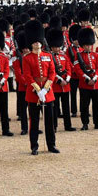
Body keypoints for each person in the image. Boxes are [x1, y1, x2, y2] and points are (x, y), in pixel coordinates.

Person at [22, 21, 58, 155]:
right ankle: (34, 146)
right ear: (31, 43)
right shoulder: (27, 58)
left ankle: (51, 144)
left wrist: (45, 89)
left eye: (39, 41)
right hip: (33, 94)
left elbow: (52, 73)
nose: (37, 43)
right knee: (34, 122)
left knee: (50, 121)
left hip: (47, 93)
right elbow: (27, 76)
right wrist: (38, 90)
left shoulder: (48, 56)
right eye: (35, 42)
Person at [72, 27, 98, 130]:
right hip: (84, 84)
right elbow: (78, 69)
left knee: (96, 105)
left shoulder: (95, 55)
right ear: (83, 45)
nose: (88, 47)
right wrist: (87, 79)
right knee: (84, 106)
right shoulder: (78, 56)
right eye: (86, 45)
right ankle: (85, 123)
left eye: (90, 45)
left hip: (96, 84)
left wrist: (95, 78)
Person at [46, 27, 74, 132]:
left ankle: (68, 125)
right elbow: (50, 72)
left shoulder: (64, 56)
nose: (57, 49)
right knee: (55, 107)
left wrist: (67, 79)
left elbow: (68, 69)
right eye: (54, 47)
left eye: (58, 47)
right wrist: (58, 80)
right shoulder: (49, 57)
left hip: (65, 85)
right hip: (55, 86)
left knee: (66, 107)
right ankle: (54, 126)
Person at [11, 31, 29, 135]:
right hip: (23, 87)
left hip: (32, 87)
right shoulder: (17, 57)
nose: (26, 49)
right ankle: (24, 128)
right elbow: (17, 72)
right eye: (24, 48)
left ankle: (32, 127)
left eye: (27, 48)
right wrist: (25, 82)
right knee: (23, 109)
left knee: (33, 109)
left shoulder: (32, 56)